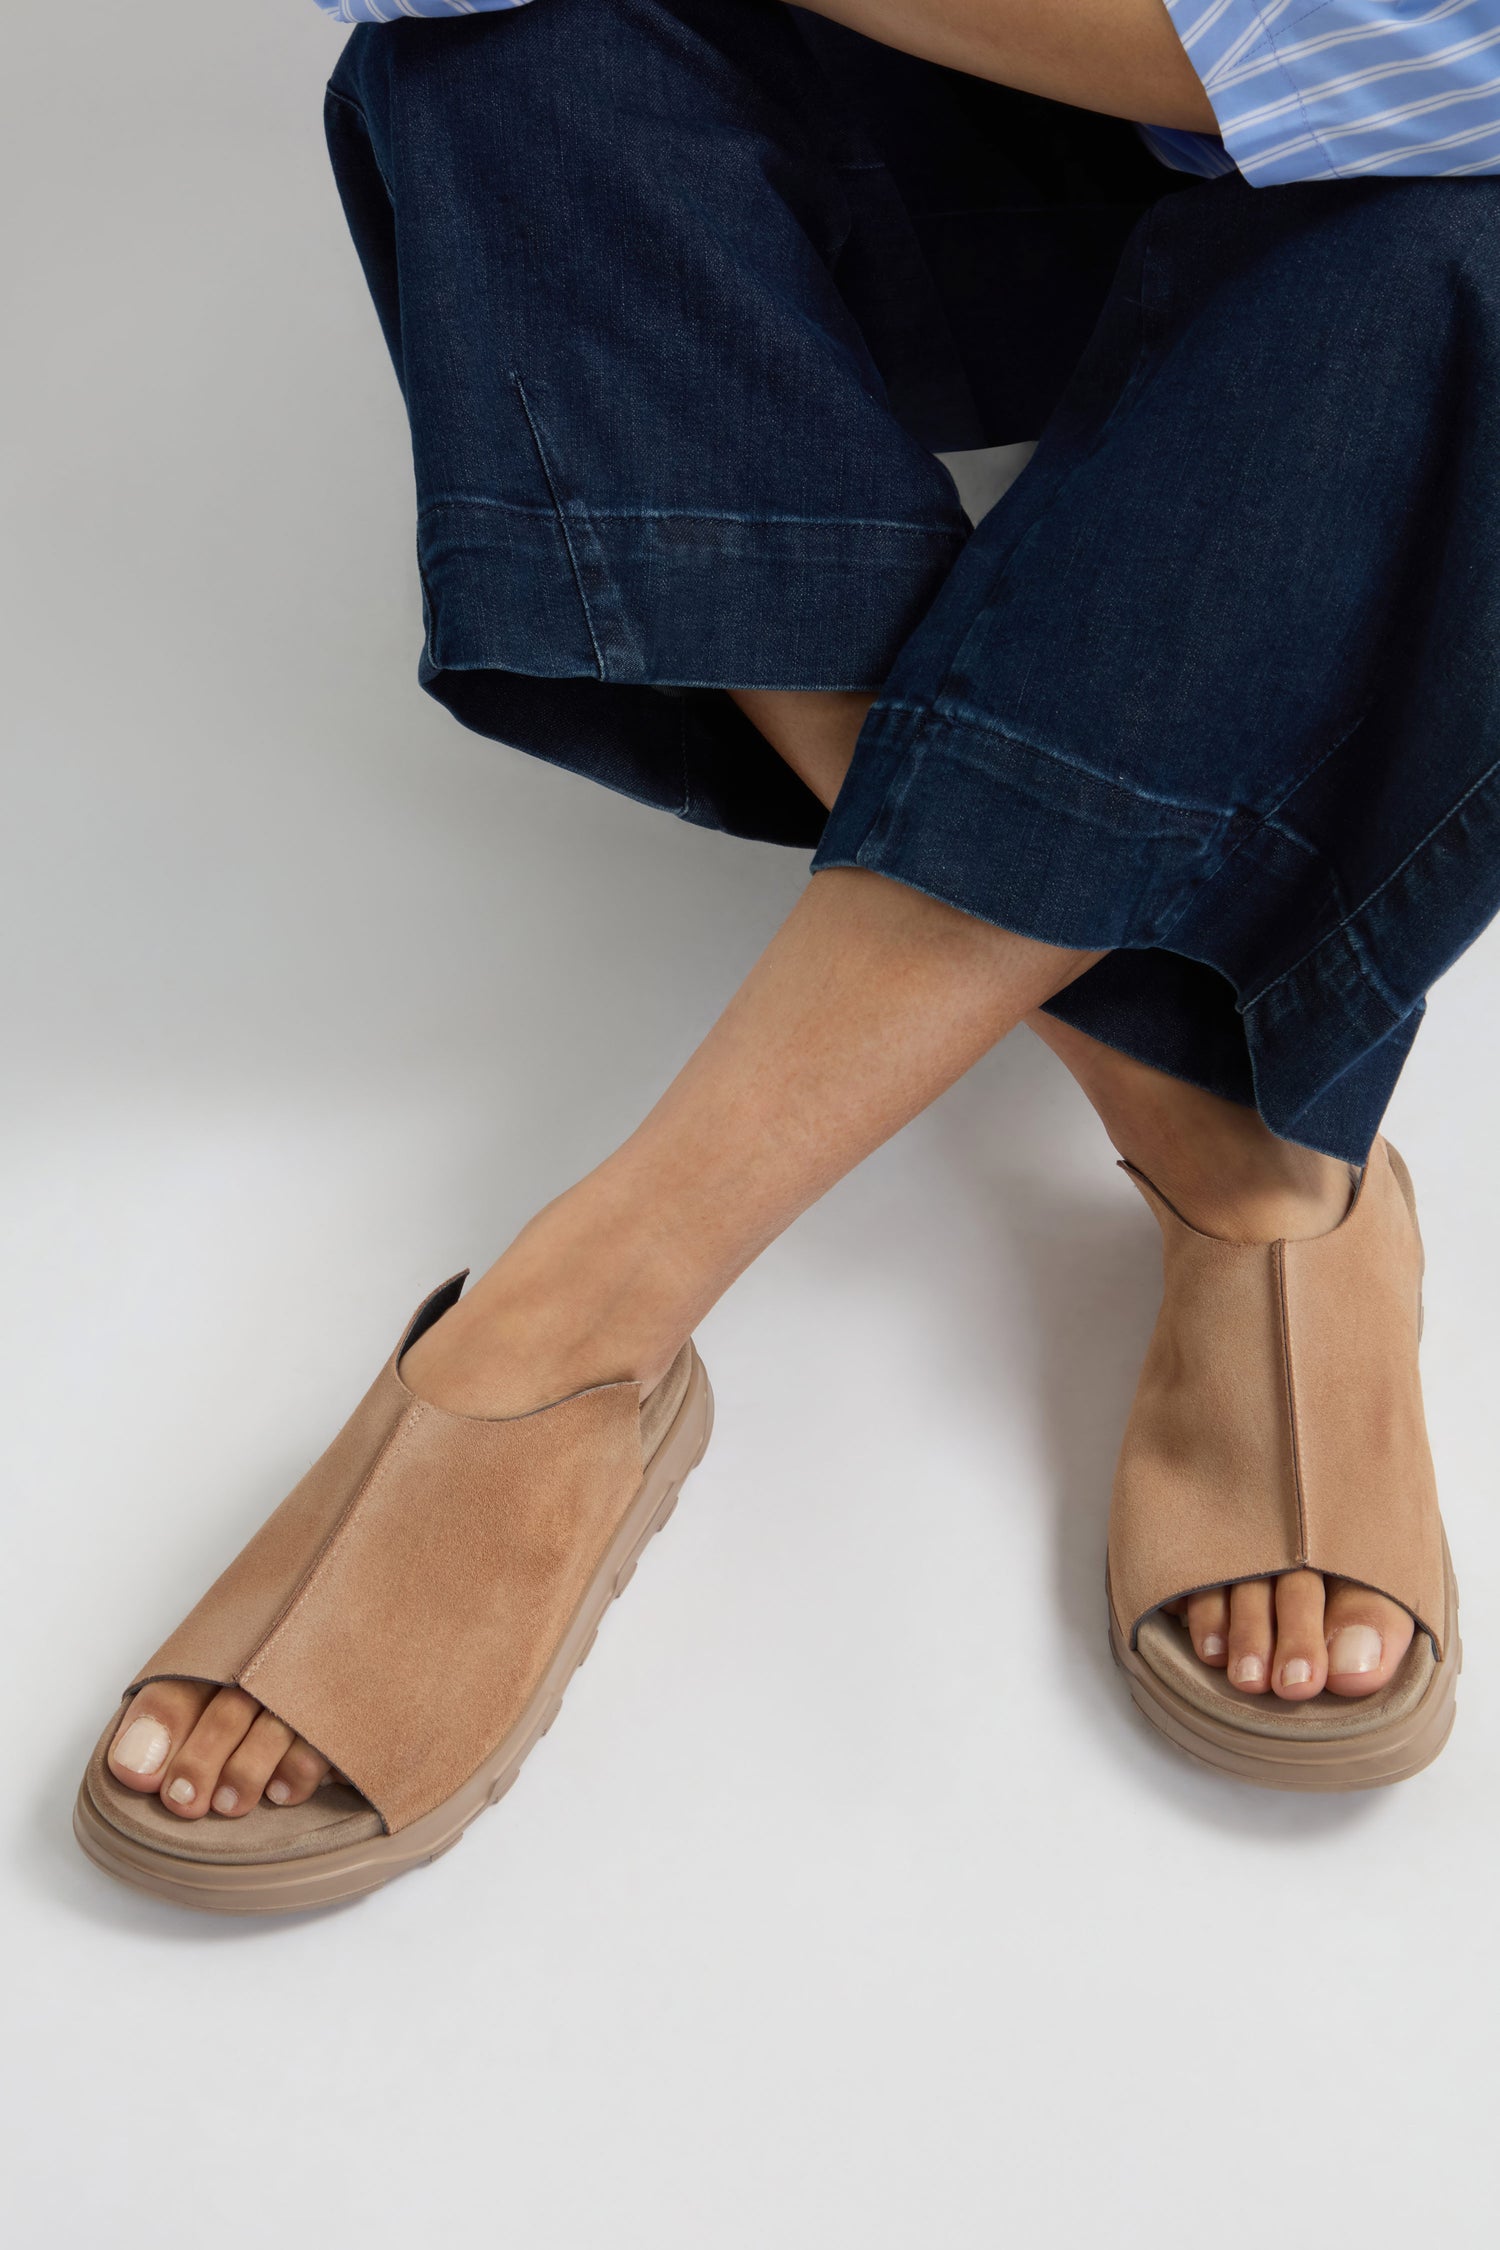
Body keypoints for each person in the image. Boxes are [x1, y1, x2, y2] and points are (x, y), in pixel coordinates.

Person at [75, 0, 1498, 1906]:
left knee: (1457, 221)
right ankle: (1223, 1130)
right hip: (1022, 127)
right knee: (488, 69)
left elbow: (1440, 68)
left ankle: (585, 1306)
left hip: (1406, 217)